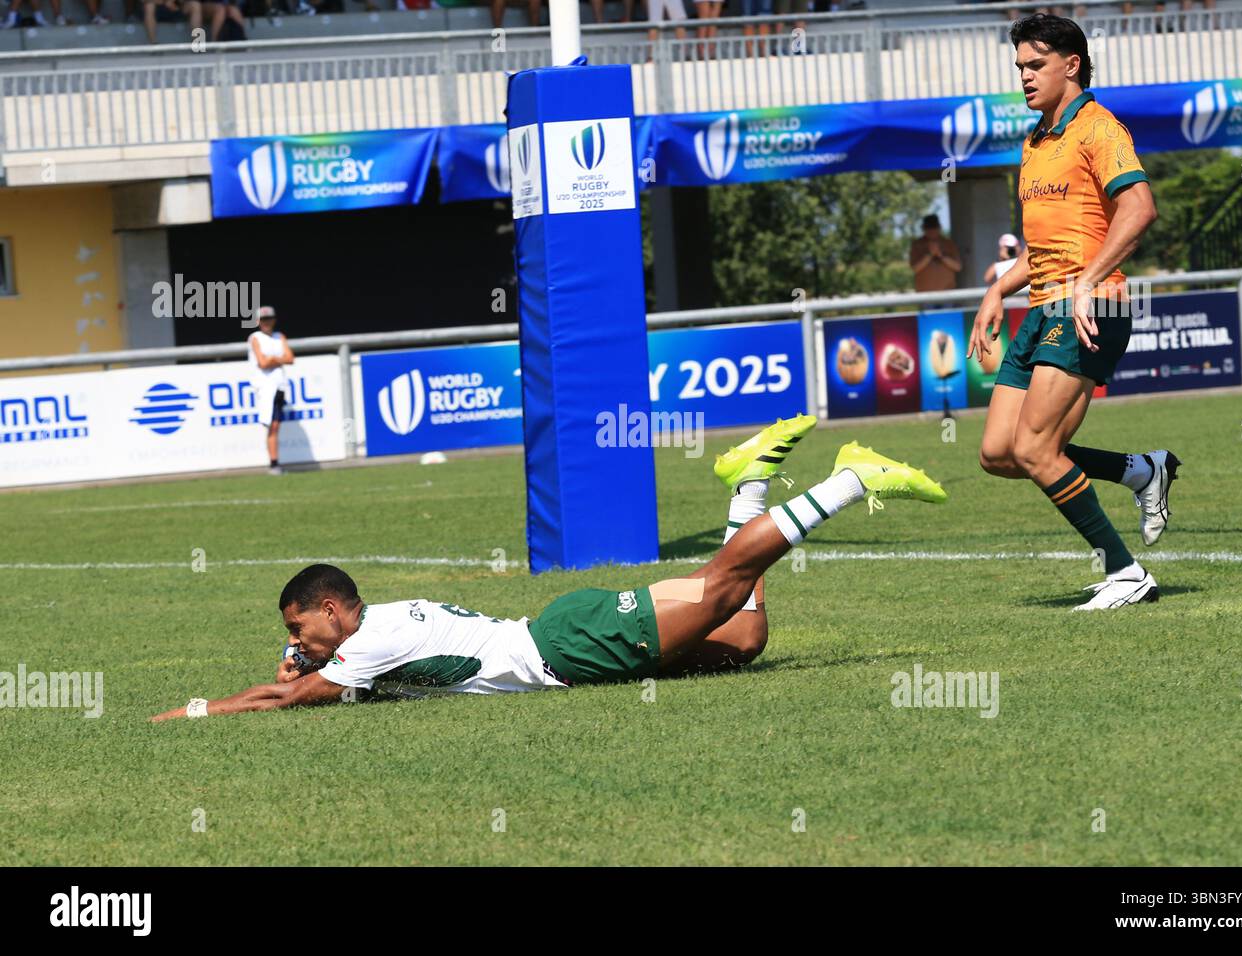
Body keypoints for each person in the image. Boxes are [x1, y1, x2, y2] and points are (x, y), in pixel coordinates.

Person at [149, 417, 948, 720]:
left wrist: (195, 711)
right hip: (566, 633)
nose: (303, 641)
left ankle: (852, 476)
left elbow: (289, 698)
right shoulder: (373, 630)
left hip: (572, 646)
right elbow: (306, 680)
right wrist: (298, 664)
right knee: (742, 641)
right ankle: (748, 480)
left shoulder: (367, 645)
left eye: (302, 628)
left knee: (723, 590)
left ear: (331, 607)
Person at [967, 14, 1179, 612]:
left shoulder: (1099, 128)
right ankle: (1141, 471)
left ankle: (1127, 574)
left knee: (1036, 449)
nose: (1025, 78)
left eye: (1035, 65)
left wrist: (1087, 282)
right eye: (1020, 68)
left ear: (1072, 64)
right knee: (1000, 454)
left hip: (1093, 305)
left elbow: (1139, 208)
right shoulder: (1035, 140)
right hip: (1042, 305)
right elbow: (1044, 246)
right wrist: (995, 290)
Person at [247, 305, 295, 476]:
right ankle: (274, 464)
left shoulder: (279, 336)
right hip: (266, 387)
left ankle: (275, 464)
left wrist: (273, 358)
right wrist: (278, 359)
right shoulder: (255, 337)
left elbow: (290, 358)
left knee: (276, 425)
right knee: (272, 425)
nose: (266, 323)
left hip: (280, 385)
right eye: (263, 320)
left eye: (269, 319)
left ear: (274, 320)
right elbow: (263, 363)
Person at [909, 213, 963, 293]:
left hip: (948, 293)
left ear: (939, 228)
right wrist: (929, 255)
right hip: (925, 295)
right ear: (924, 229)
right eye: (928, 228)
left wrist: (941, 255)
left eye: (934, 228)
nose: (931, 231)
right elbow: (915, 269)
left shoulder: (949, 243)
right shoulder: (917, 244)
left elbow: (958, 267)